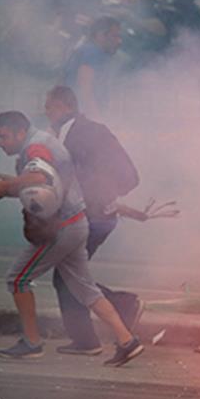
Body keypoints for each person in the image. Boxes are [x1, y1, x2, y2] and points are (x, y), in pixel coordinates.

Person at [0, 111, 143, 366]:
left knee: (17, 279)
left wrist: (3, 186)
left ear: (20, 133)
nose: (0, 142)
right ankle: (128, 341)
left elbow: (40, 178)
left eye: (4, 137)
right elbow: (44, 189)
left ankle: (32, 343)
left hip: (62, 229)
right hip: (77, 222)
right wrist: (7, 190)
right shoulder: (43, 141)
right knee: (85, 289)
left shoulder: (35, 147)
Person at [44, 86, 143, 355]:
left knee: (68, 276)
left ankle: (119, 309)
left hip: (90, 217)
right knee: (68, 274)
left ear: (64, 107)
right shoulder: (94, 130)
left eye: (49, 107)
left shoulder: (75, 135)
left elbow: (73, 179)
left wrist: (95, 199)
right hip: (101, 216)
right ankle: (89, 336)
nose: (46, 113)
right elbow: (130, 176)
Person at [63, 16, 122, 117]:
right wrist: (95, 117)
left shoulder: (89, 51)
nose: (119, 41)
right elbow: (85, 88)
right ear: (100, 36)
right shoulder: (92, 53)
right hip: (82, 115)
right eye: (114, 36)